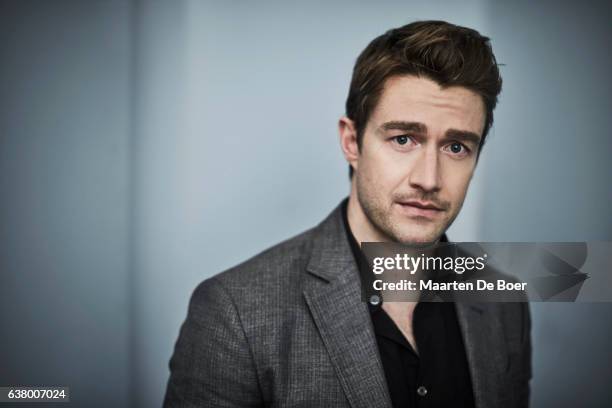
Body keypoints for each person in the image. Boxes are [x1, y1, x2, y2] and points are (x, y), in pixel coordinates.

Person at [163, 20, 531, 408]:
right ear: (351, 142)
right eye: (403, 139)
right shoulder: (233, 312)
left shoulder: (504, 301)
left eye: (456, 147)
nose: (429, 179)